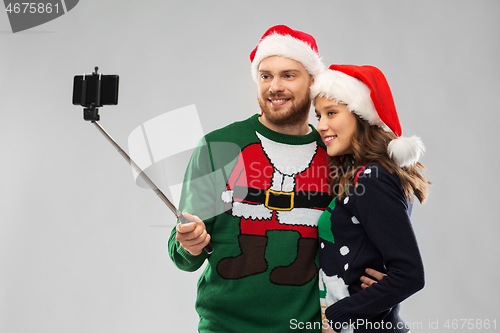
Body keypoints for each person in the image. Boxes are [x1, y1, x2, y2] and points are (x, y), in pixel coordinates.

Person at [168, 25, 384, 332]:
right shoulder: (217, 148)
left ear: (313, 83)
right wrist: (189, 243)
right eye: (266, 75)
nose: (275, 86)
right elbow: (183, 255)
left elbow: (370, 234)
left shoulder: (339, 154)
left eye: (288, 75)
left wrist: (386, 276)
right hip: (225, 326)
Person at [310, 64, 430, 332]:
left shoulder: (372, 177)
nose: (321, 125)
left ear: (360, 115)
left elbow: (409, 275)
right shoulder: (360, 174)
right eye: (318, 115)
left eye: (331, 113)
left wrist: (336, 315)